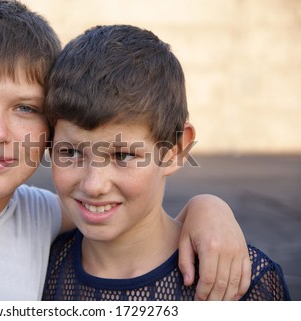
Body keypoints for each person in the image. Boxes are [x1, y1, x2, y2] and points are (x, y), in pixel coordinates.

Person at [0, 0, 249, 300]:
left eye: (25, 108)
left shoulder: (44, 214)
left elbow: (135, 210)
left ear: (50, 127)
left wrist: (207, 208)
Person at [41, 24, 291, 300]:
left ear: (175, 149)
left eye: (123, 155)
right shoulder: (35, 268)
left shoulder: (240, 282)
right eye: (70, 153)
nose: (94, 185)